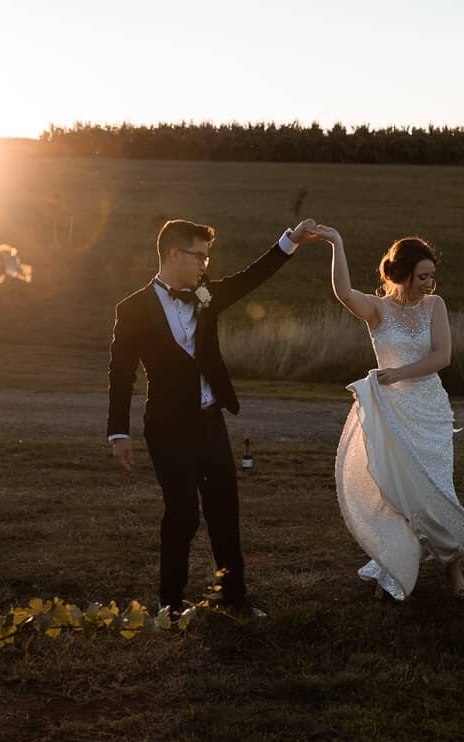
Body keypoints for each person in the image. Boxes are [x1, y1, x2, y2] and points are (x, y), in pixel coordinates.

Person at [314, 227, 464, 600]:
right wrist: (337, 242)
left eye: (431, 275)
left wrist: (398, 374)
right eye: (422, 276)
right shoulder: (377, 309)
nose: (429, 283)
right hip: (393, 413)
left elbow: (441, 357)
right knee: (396, 492)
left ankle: (453, 572)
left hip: (429, 410)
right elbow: (343, 293)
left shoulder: (435, 306)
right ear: (401, 274)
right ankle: (392, 566)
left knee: (439, 490)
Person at [107, 217, 322, 618]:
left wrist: (290, 240)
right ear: (174, 254)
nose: (206, 264)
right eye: (199, 256)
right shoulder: (133, 309)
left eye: (207, 257)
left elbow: (252, 277)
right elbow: (121, 375)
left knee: (225, 512)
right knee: (183, 514)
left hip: (211, 422)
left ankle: (234, 597)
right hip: (168, 428)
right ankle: (169, 605)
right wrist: (119, 432)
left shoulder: (206, 295)